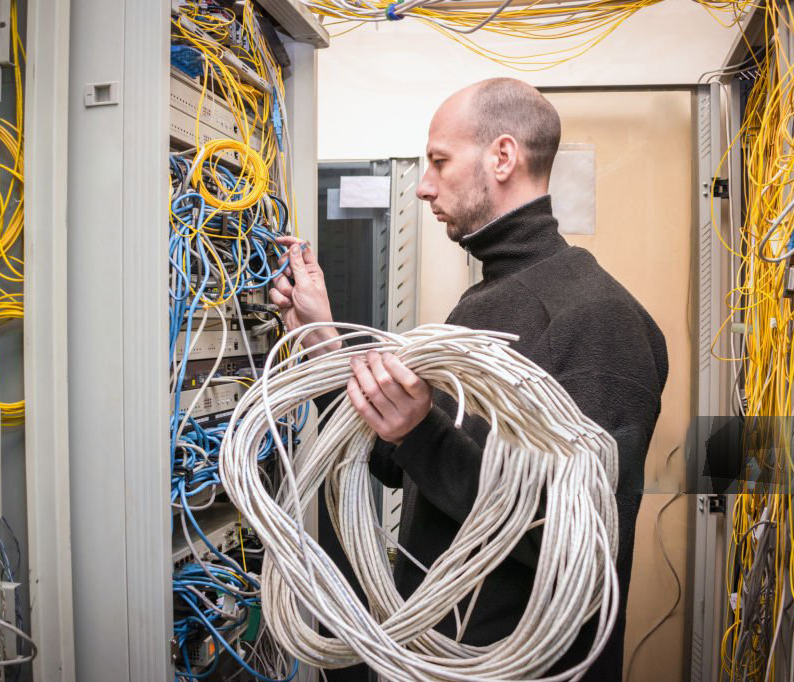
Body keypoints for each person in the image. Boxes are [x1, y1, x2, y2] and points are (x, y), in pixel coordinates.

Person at [268, 77, 668, 680]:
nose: (425, 185)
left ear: (502, 157)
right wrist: (325, 343)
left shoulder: (596, 319)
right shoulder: (488, 302)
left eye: (438, 161)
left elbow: (577, 540)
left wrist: (419, 434)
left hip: (520, 667)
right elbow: (403, 460)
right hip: (438, 655)